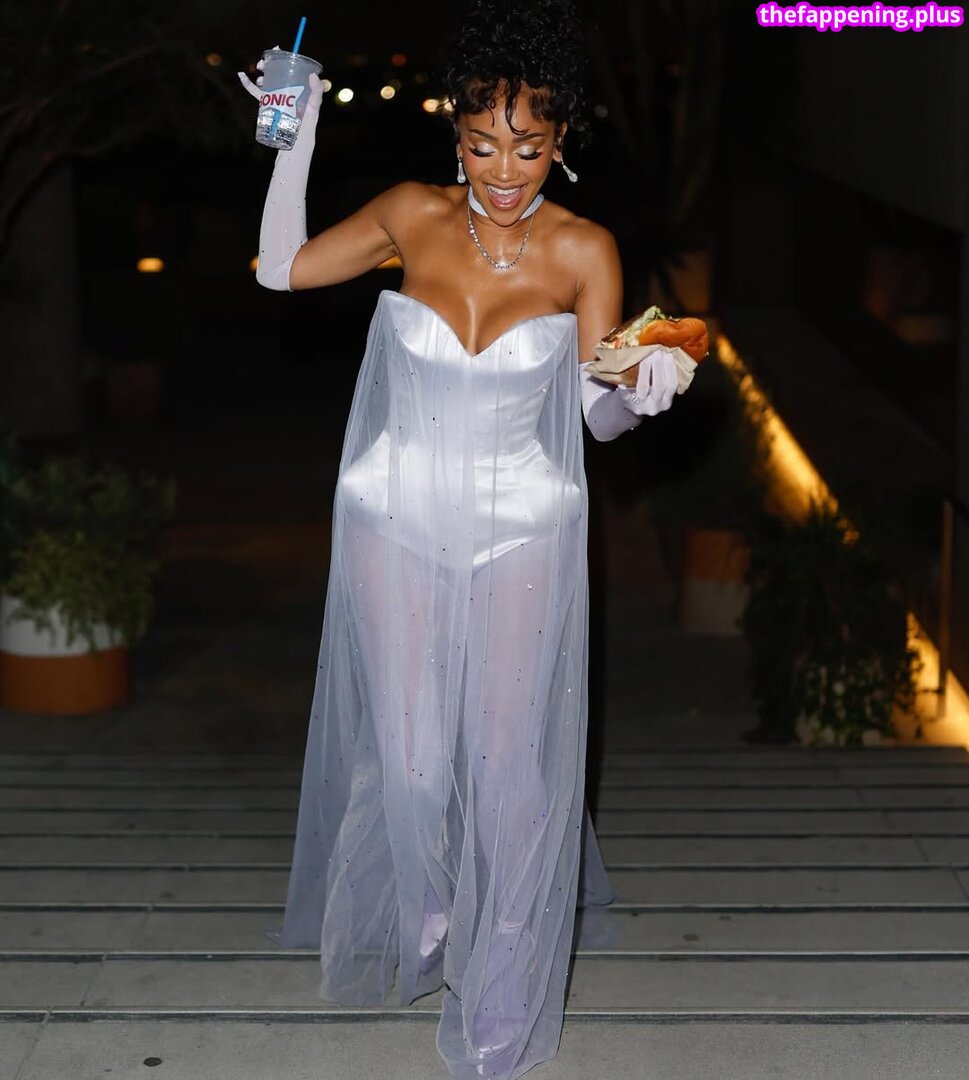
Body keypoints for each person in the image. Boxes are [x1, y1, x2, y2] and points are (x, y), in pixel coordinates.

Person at [241, 1, 679, 1076]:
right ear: (455, 131)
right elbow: (280, 270)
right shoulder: (410, 214)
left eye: (528, 147)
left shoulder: (584, 249)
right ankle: (432, 904)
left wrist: (644, 390)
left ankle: (504, 988)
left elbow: (595, 414)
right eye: (482, 144)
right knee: (409, 762)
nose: (503, 170)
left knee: (510, 768)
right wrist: (294, 142)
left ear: (561, 139)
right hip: (394, 511)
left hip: (525, 520)